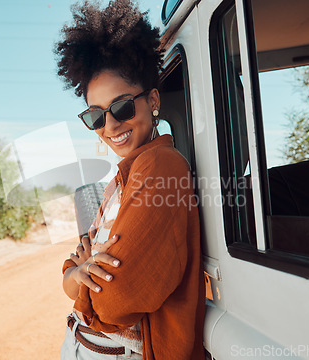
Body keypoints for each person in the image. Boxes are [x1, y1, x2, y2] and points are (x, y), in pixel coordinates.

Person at [55, 1, 205, 359]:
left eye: (122, 107)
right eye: (95, 116)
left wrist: (78, 276)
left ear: (152, 100)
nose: (110, 126)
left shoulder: (161, 166)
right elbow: (74, 270)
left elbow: (116, 300)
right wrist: (78, 273)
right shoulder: (125, 176)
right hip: (81, 343)